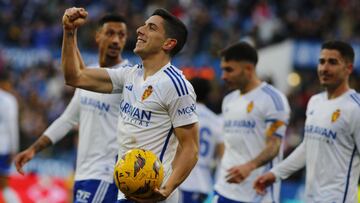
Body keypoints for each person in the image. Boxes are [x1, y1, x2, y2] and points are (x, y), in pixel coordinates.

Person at [61, 7, 199, 203]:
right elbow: (75, 76)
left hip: (152, 192)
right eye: (143, 25)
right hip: (127, 189)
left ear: (169, 43)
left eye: (151, 27)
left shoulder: (176, 85)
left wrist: (166, 190)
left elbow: (190, 149)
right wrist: (69, 32)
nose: (140, 30)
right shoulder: (130, 75)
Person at [14, 13, 130, 203]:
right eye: (110, 33)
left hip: (107, 175)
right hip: (82, 173)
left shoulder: (127, 78)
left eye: (122, 35)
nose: (116, 40)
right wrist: (33, 149)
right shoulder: (89, 75)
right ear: (97, 36)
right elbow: (68, 119)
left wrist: (69, 32)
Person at [254, 41, 360, 202]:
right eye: (321, 62)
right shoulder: (315, 102)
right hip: (309, 197)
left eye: (333, 62)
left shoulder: (355, 108)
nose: (324, 68)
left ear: (349, 69)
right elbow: (307, 147)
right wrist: (275, 173)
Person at [213, 42, 290, 203]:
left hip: (257, 193)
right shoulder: (229, 100)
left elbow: (274, 144)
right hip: (225, 189)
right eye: (222, 69)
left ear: (248, 69)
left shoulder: (273, 100)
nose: (223, 76)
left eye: (229, 69)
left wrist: (249, 166)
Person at [179, 77, 224, 203]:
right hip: (205, 184)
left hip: (182, 181)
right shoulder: (216, 120)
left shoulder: (181, 115)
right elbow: (222, 156)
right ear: (208, 95)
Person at [0, 71, 19, 202]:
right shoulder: (9, 100)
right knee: (5, 185)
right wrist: (15, 149)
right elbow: (12, 126)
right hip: (3, 147)